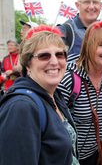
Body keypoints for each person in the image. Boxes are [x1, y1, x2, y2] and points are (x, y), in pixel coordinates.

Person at [0, 25, 79, 165]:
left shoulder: (54, 95)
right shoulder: (21, 107)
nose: (54, 62)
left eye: (60, 54)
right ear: (28, 65)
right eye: (44, 56)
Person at [58, 0, 102, 138]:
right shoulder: (66, 30)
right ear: (77, 5)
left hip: (99, 122)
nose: (92, 6)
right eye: (87, 2)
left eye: (96, 2)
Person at [58, 21, 102, 165]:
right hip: (70, 159)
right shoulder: (68, 78)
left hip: (96, 155)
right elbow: (56, 126)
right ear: (89, 45)